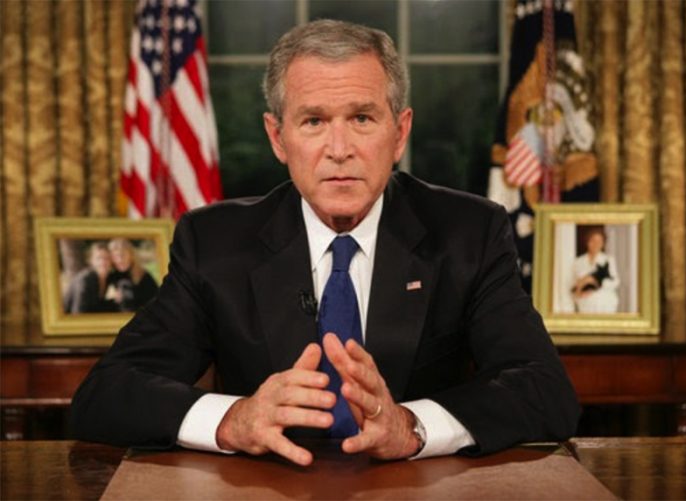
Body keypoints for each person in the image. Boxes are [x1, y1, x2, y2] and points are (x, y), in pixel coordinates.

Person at [71, 20, 579, 465]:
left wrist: (412, 427)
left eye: (362, 118)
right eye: (314, 121)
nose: (339, 150)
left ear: (399, 132)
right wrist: (235, 420)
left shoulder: (470, 233)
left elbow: (545, 390)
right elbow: (106, 394)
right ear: (278, 138)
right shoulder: (214, 243)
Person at [570, 227, 620, 314]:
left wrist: (593, 281)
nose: (596, 244)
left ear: (603, 244)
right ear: (587, 242)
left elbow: (615, 282)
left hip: (605, 302)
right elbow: (573, 284)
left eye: (599, 241)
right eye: (593, 240)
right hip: (585, 304)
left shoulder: (608, 260)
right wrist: (579, 292)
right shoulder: (578, 261)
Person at [104, 238, 159, 312]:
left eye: (123, 255)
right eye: (115, 256)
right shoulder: (110, 276)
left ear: (131, 255)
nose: (120, 259)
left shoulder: (143, 276)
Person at [63, 242, 117, 314]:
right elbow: (78, 313)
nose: (103, 262)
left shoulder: (108, 277)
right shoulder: (85, 280)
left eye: (106, 258)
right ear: (91, 261)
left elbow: (96, 305)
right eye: (98, 258)